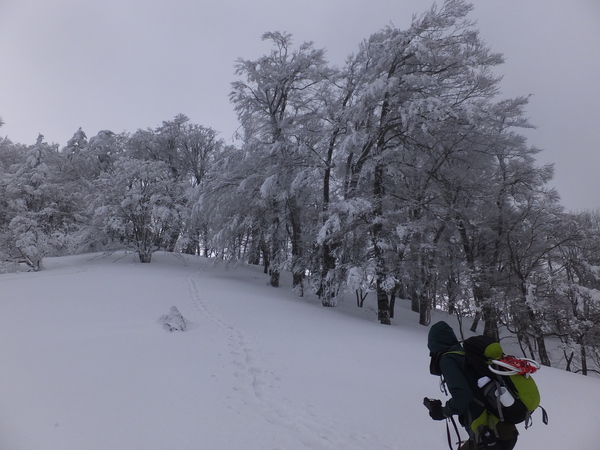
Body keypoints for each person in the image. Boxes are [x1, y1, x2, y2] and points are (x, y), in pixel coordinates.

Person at [426, 321, 518, 450]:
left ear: (433, 344)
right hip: (503, 430)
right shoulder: (466, 355)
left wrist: (442, 412)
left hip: (489, 434)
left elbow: (463, 397)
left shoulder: (448, 360)